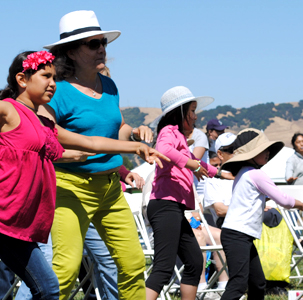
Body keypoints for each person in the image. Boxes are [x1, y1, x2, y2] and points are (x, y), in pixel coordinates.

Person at [0, 51, 167, 300]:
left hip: (19, 223)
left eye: (55, 77)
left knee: (48, 288)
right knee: (49, 285)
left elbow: (91, 142)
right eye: (45, 76)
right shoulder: (8, 110)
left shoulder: (45, 126)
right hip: (4, 216)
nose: (52, 83)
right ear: (22, 80)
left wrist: (135, 146)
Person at [39, 10, 162, 300]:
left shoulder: (109, 86)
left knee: (133, 264)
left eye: (103, 42)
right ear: (70, 51)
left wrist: (135, 132)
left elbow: (115, 126)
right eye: (93, 44)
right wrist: (132, 147)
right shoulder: (56, 91)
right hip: (68, 188)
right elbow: (48, 135)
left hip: (110, 189)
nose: (102, 49)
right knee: (65, 270)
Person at [220, 128, 303, 300]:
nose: (267, 153)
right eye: (263, 150)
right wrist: (300, 204)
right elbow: (282, 199)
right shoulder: (256, 174)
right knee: (238, 283)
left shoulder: (244, 173)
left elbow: (250, 199)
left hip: (239, 235)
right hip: (237, 235)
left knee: (257, 282)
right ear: (251, 154)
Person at [146, 86, 217, 300]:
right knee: (163, 268)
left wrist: (221, 172)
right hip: (165, 206)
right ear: (180, 112)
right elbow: (165, 150)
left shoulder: (180, 139)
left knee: (195, 261)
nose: (196, 116)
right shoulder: (169, 132)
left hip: (177, 209)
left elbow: (197, 164)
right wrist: (192, 164)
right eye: (193, 111)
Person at [204, 132, 237, 227]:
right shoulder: (212, 180)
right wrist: (253, 211)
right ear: (220, 154)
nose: (236, 152)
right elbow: (220, 210)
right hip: (230, 227)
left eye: (238, 148)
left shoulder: (246, 172)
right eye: (231, 149)